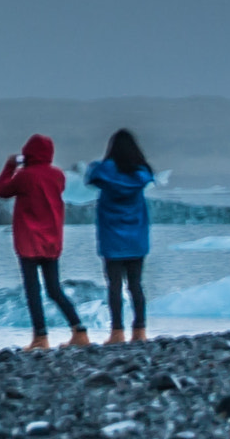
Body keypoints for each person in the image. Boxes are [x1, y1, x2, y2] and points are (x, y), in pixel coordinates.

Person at [0, 134, 90, 349]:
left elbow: (2, 191)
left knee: (33, 290)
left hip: (29, 241)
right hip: (52, 241)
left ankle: (40, 338)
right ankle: (79, 330)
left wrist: (10, 166)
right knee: (54, 288)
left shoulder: (25, 176)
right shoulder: (58, 176)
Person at [85, 128, 155, 343]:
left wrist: (103, 162)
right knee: (136, 285)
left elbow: (91, 175)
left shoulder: (105, 173)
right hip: (136, 239)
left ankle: (117, 332)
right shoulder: (140, 173)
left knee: (114, 286)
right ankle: (140, 331)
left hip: (111, 239)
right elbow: (148, 175)